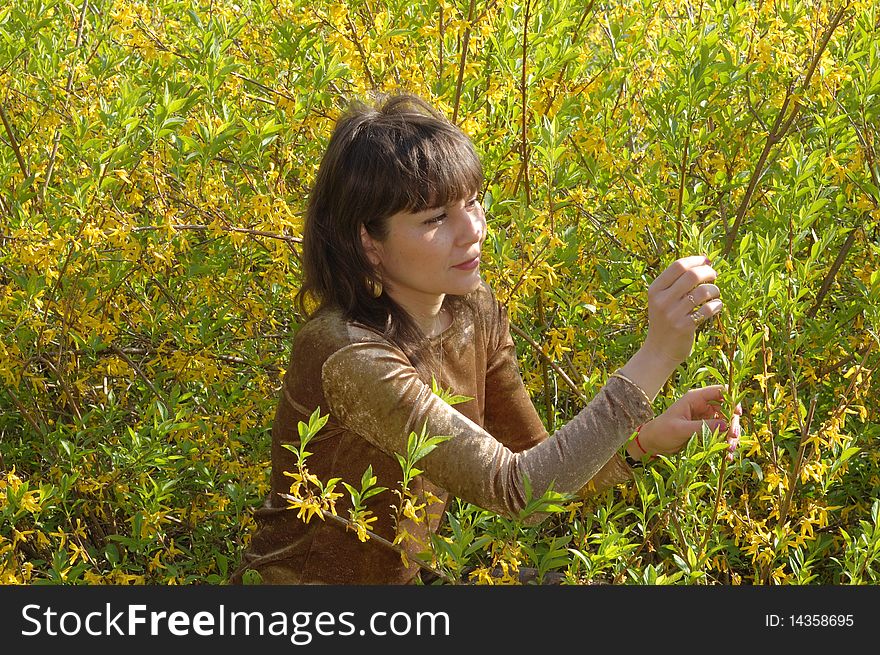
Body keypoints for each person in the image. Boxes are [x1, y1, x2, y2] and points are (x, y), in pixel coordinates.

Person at [230, 93, 741, 585]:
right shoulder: (347, 354)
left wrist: (646, 442)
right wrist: (655, 357)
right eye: (435, 219)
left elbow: (541, 488)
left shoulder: (474, 313)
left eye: (474, 202)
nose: (472, 229)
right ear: (368, 242)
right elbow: (519, 489)